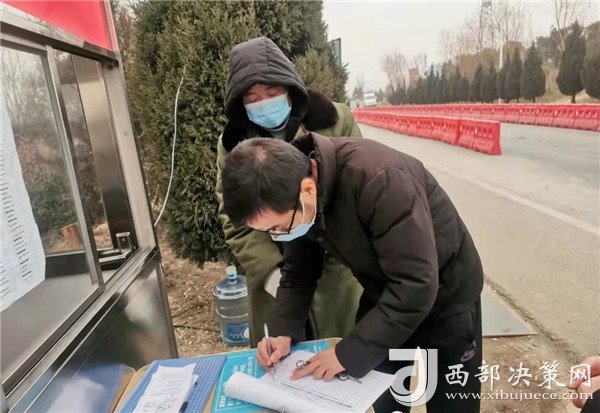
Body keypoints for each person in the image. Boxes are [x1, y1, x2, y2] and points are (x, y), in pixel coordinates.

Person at [221, 133, 485, 412]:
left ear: (307, 191)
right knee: (384, 396)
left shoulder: (379, 179)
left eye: (278, 228)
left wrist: (346, 354)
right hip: (383, 293)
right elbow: (299, 272)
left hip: (447, 295)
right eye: (268, 231)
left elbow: (416, 284)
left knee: (452, 399)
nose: (277, 236)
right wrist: (282, 331)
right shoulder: (299, 196)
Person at [215, 36, 364, 347]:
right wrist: (272, 274)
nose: (264, 103)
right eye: (253, 98)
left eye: (272, 93)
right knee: (282, 357)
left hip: (336, 269)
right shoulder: (233, 144)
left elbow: (356, 193)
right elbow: (234, 216)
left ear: (290, 88)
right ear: (240, 103)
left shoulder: (333, 121)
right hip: (276, 276)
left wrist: (339, 252)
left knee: (342, 355)